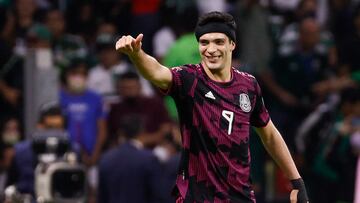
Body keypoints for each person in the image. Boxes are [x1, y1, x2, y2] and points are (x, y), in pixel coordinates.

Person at [115, 11, 308, 203]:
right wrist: (137, 54)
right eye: (204, 42)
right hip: (197, 197)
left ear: (232, 44)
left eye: (218, 42)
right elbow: (157, 72)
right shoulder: (189, 79)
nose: (210, 49)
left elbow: (270, 135)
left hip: (240, 197)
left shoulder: (248, 85)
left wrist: (297, 182)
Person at [98, 115, 165, 203]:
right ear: (141, 132)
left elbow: (102, 198)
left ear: (120, 133)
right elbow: (157, 196)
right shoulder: (149, 159)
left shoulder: (106, 159)